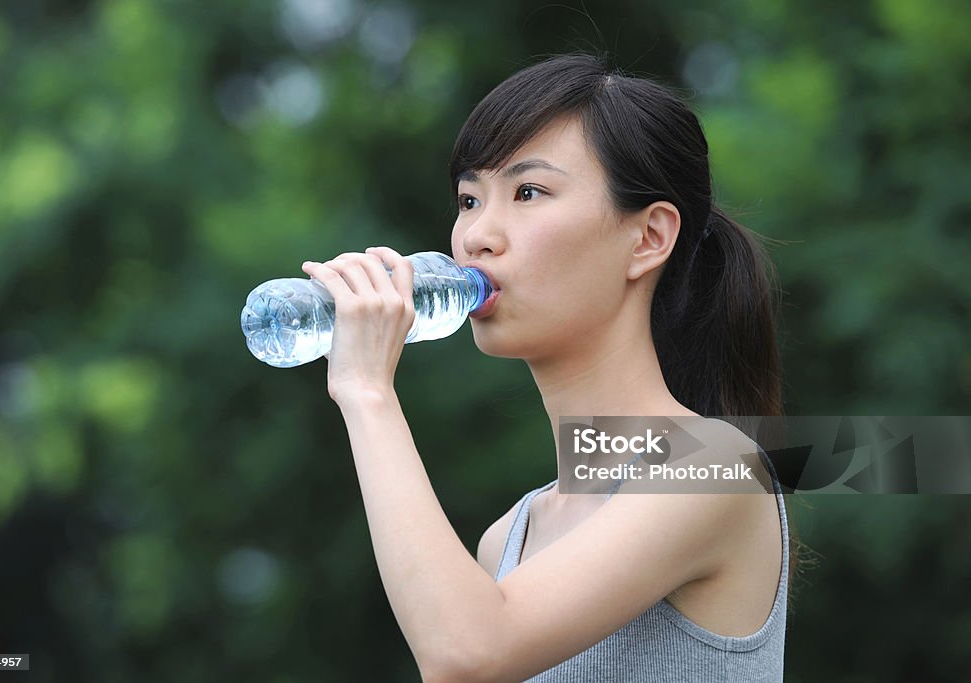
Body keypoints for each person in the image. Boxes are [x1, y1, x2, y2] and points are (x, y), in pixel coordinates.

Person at [299, 52, 793, 682]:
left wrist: (368, 393)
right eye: (469, 198)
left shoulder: (714, 467)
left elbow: (468, 652)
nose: (477, 234)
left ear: (647, 239)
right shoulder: (508, 541)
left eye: (528, 192)